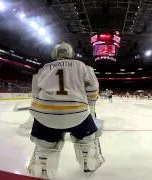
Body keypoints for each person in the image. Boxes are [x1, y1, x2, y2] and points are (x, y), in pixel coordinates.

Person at [28, 42, 104, 179]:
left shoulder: (43, 68)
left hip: (45, 115)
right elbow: (93, 88)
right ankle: (88, 163)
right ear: (71, 54)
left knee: (45, 146)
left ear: (54, 54)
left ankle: (43, 168)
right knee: (87, 140)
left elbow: (35, 94)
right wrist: (90, 102)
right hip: (77, 114)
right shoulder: (82, 66)